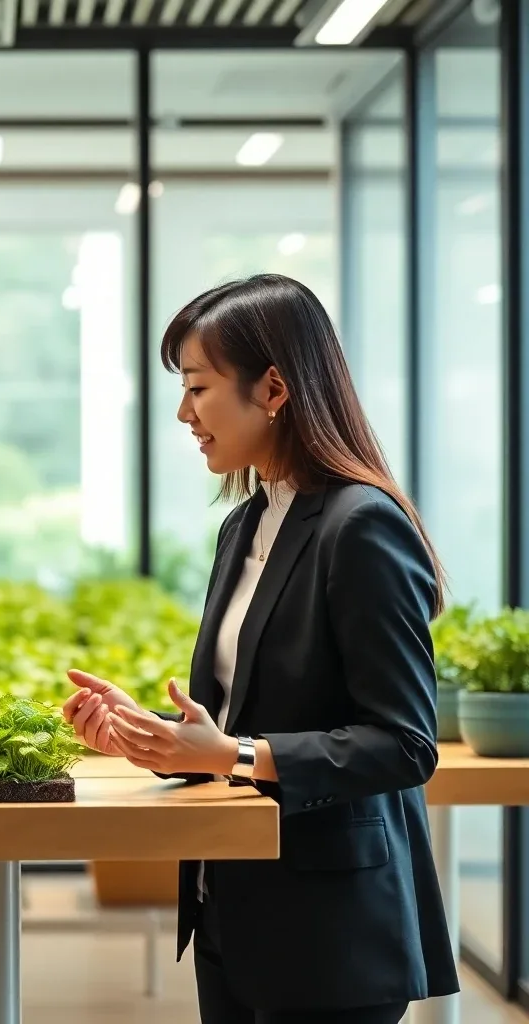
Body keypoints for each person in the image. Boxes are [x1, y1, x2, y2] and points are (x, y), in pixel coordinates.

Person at [63, 274, 460, 1024]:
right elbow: (239, 718)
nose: (184, 412)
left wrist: (233, 757)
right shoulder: (244, 525)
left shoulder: (361, 526)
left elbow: (406, 745)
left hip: (332, 933)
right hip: (232, 906)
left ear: (273, 387)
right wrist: (152, 734)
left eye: (198, 386)